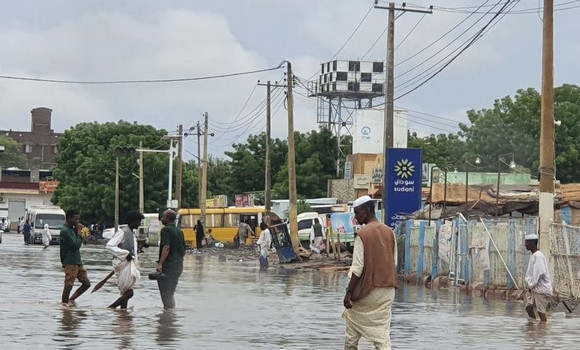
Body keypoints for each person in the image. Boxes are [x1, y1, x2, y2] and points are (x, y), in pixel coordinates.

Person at [343, 195, 398, 350]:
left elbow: (358, 268)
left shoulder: (362, 235)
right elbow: (393, 263)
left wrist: (348, 293)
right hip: (387, 290)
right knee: (382, 334)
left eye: (357, 213)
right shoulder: (390, 233)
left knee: (352, 330)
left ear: (366, 211)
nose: (355, 217)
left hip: (368, 291)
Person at [106, 211, 144, 309]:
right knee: (129, 293)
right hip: (122, 264)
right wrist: (125, 254)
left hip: (129, 265)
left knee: (125, 293)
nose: (140, 224)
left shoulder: (132, 233)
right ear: (132, 221)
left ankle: (123, 314)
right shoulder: (122, 232)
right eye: (138, 221)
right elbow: (110, 246)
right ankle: (111, 308)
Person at [60, 209, 91, 305]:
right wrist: (78, 232)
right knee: (68, 285)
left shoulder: (71, 229)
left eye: (78, 219)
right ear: (69, 218)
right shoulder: (65, 231)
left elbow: (79, 242)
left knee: (86, 283)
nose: (78, 222)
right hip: (70, 261)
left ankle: (71, 299)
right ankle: (64, 304)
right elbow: (76, 244)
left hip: (77, 261)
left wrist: (79, 232)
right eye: (75, 219)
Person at [156, 209, 186, 310]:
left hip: (168, 267)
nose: (161, 219)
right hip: (178, 266)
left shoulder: (166, 230)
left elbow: (166, 248)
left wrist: (160, 264)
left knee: (165, 293)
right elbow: (183, 251)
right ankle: (171, 315)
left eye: (163, 217)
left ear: (168, 219)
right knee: (170, 292)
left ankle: (167, 316)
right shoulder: (180, 232)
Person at [524, 233, 553, 322]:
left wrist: (531, 285)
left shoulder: (538, 256)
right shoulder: (534, 255)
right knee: (529, 308)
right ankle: (533, 327)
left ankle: (543, 329)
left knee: (541, 312)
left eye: (527, 242)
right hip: (535, 288)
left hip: (541, 289)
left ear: (532, 243)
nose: (525, 245)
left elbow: (538, 274)